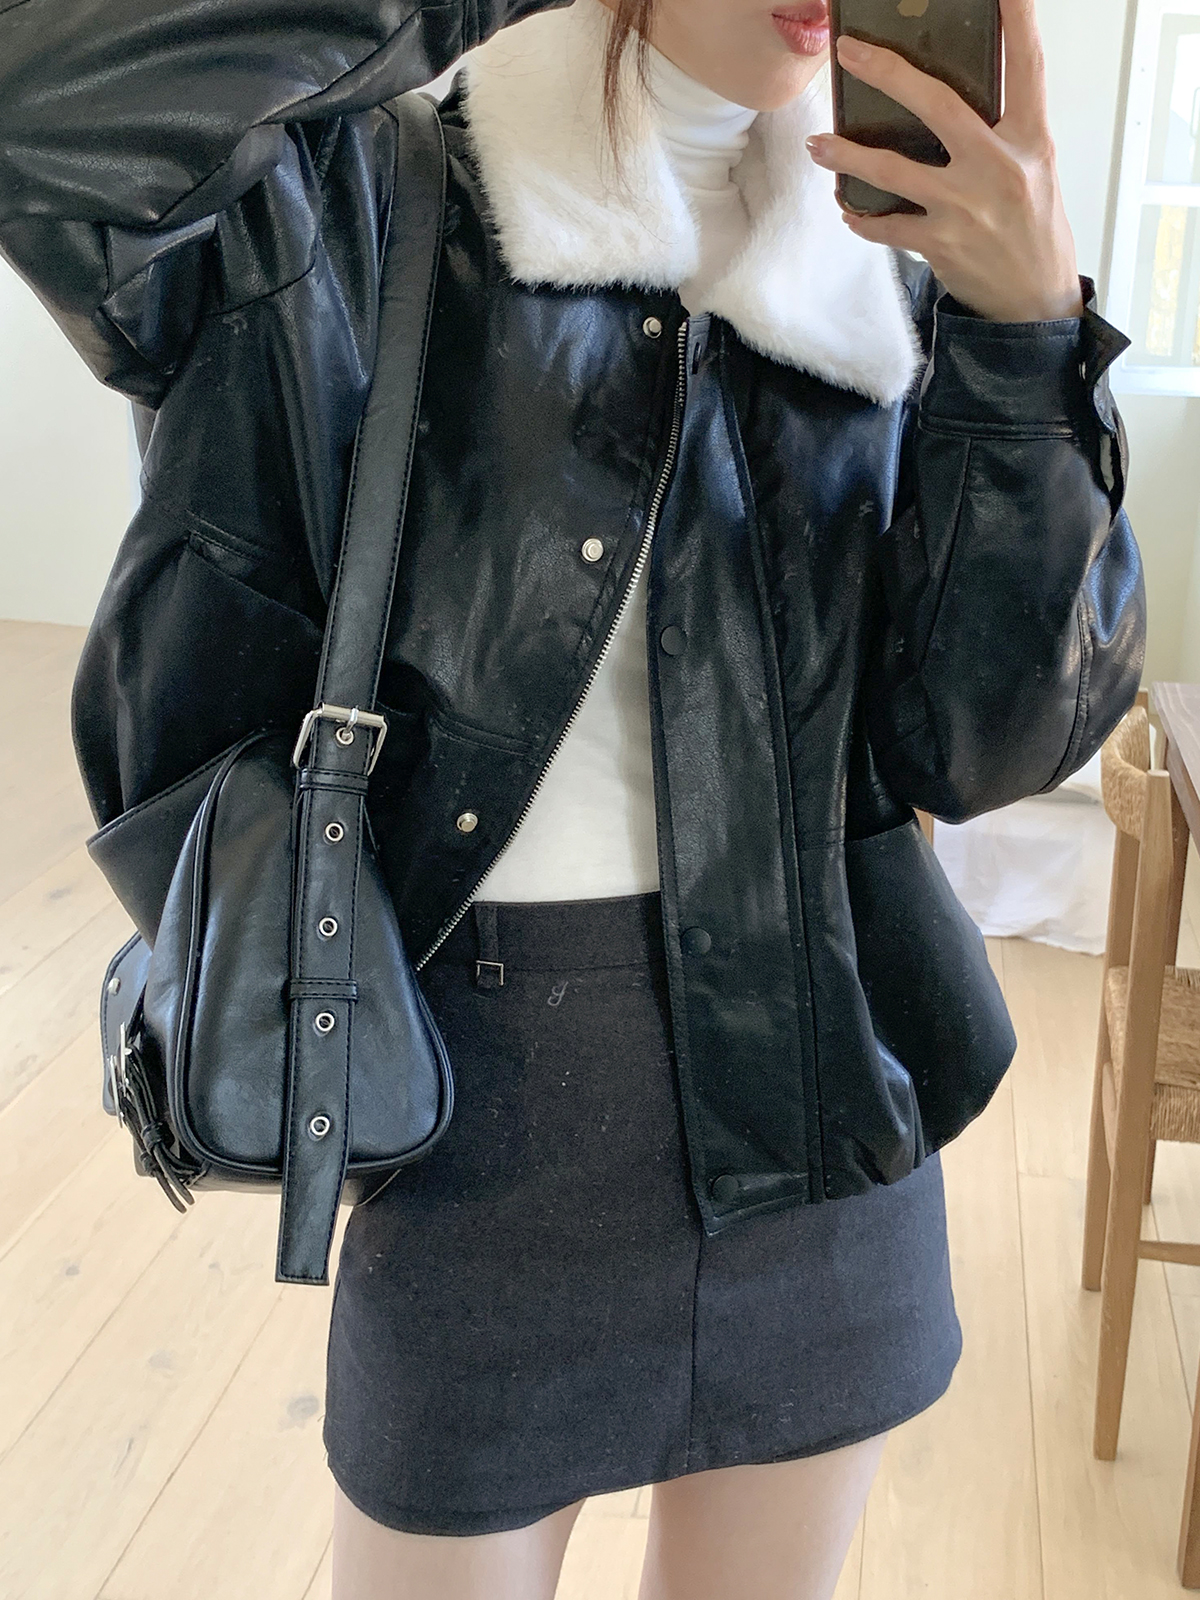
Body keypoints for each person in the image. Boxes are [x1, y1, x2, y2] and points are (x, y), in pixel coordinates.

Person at [0, 0, 1145, 1595]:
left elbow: (989, 747)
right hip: (480, 1136)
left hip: (827, 1120)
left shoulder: (897, 261)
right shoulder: (344, 183)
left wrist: (1026, 338)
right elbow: (38, 94)